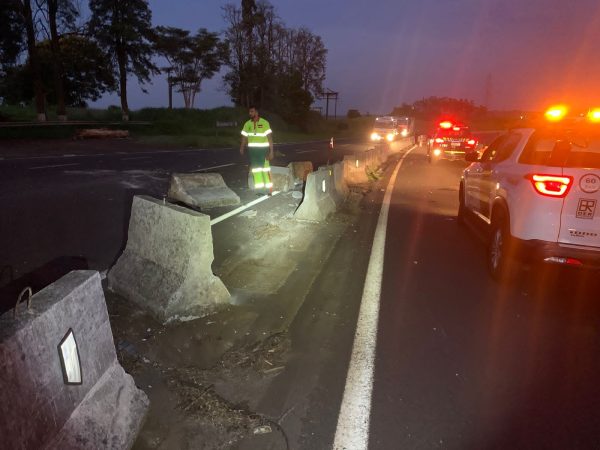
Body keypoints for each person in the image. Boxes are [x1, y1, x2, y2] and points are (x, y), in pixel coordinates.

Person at [240, 106, 274, 194]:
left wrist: (271, 151)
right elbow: (244, 137)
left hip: (264, 151)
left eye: (252, 111)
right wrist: (242, 147)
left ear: (256, 112)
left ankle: (269, 189)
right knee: (256, 170)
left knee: (265, 169)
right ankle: (260, 190)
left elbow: (269, 137)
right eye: (249, 112)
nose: (250, 113)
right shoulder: (247, 124)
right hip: (252, 152)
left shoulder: (264, 122)